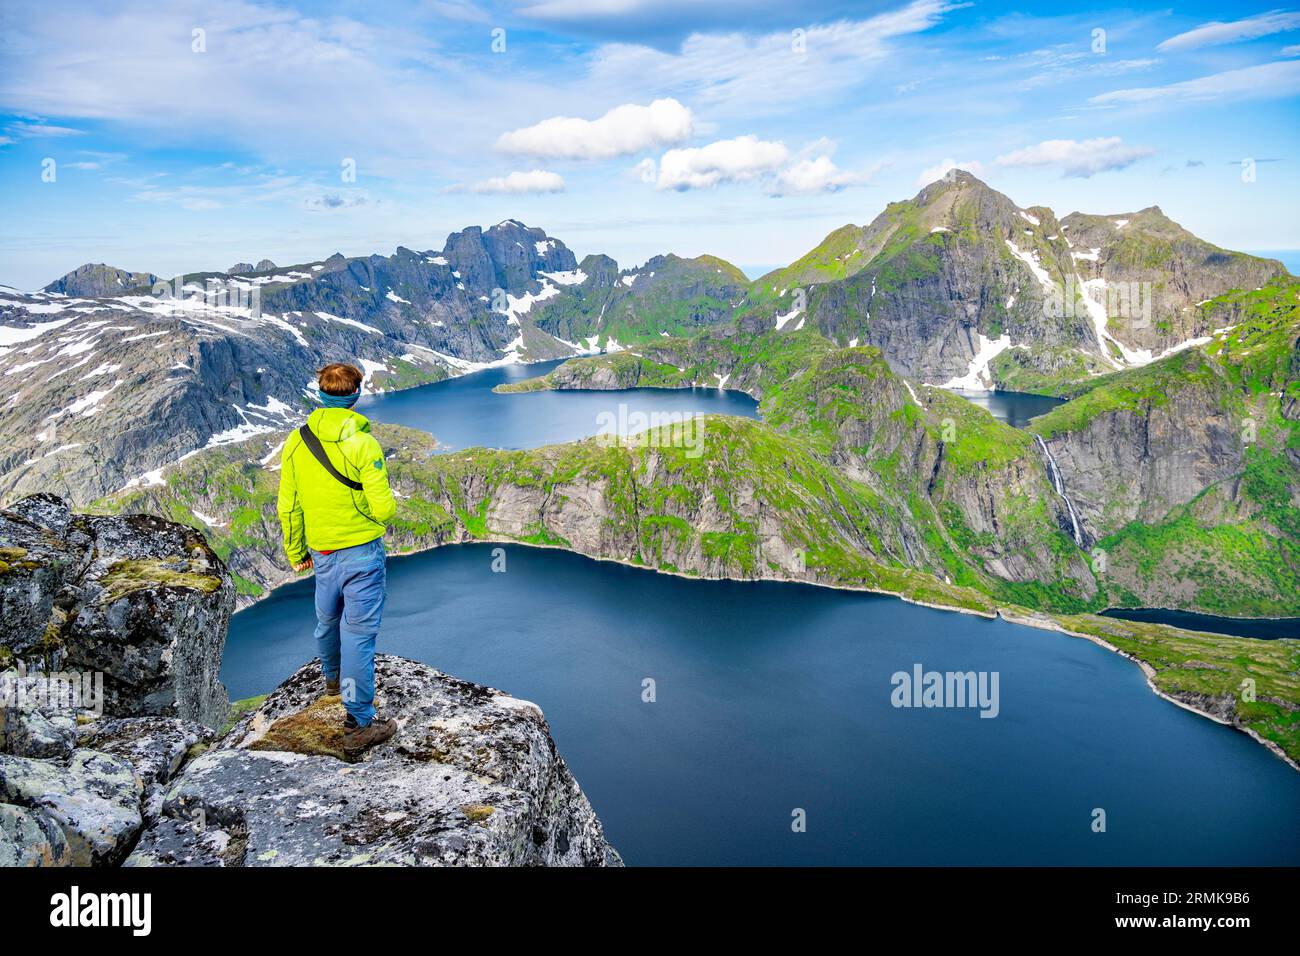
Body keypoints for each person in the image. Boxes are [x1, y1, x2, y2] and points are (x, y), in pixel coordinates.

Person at [276, 362, 398, 761]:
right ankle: (359, 723)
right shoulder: (364, 444)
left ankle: (332, 682)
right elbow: (384, 509)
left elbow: (288, 506)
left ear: (321, 394)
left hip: (322, 550)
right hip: (361, 551)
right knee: (359, 634)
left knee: (328, 619)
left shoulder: (297, 440)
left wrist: (297, 551)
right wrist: (364, 507)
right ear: (355, 396)